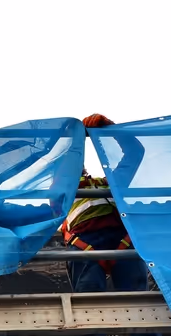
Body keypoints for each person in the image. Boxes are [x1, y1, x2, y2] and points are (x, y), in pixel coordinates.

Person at [60, 113, 148, 292]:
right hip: (84, 243)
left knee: (138, 303)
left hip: (123, 241)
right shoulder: (65, 185)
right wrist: (77, 139)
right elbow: (66, 162)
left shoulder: (110, 183)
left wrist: (110, 129)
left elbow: (135, 153)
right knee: (90, 308)